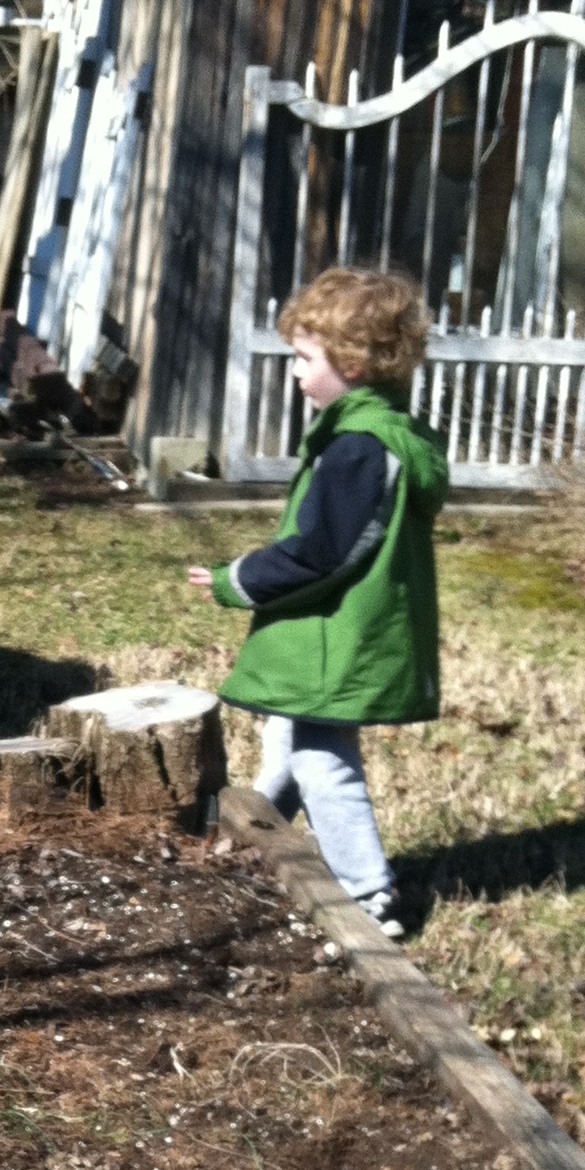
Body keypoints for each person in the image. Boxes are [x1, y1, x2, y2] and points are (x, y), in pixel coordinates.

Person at [188, 268, 447, 938]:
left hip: (339, 634)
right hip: (342, 631)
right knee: (292, 735)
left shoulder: (360, 448)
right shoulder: (365, 435)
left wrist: (234, 579)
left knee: (323, 755)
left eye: (306, 358)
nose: (296, 372)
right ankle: (242, 835)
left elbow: (320, 554)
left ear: (353, 363)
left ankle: (369, 893)